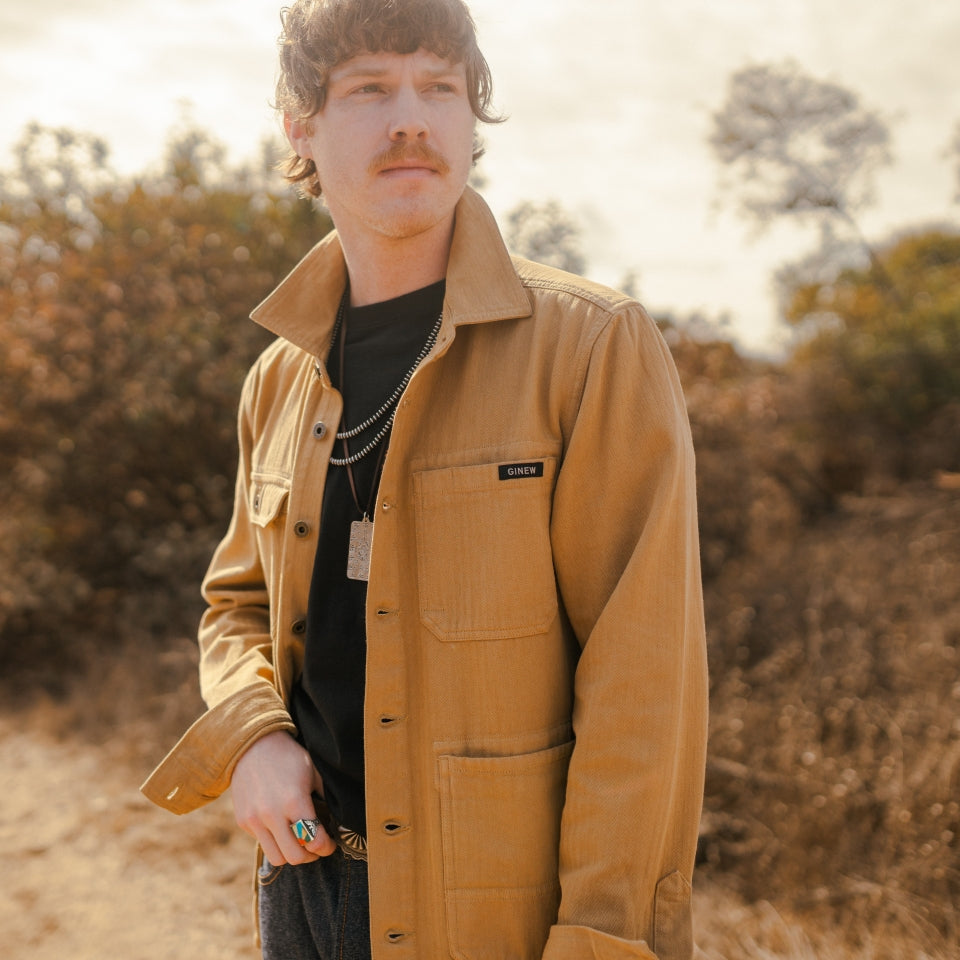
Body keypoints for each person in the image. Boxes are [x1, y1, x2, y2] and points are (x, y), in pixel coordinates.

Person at [142, 0, 708, 957]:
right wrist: (251, 735)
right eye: (370, 89)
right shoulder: (278, 375)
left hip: (495, 915)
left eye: (440, 88)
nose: (411, 117)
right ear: (302, 127)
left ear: (469, 120)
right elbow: (236, 601)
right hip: (303, 883)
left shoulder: (591, 347)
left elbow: (644, 686)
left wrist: (604, 939)